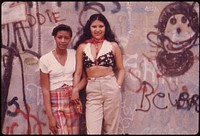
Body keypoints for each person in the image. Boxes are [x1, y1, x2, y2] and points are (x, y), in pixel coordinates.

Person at [73, 13, 125, 134]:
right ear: (89, 28)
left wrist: (117, 86)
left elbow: (121, 69)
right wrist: (75, 90)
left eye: (101, 26)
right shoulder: (82, 47)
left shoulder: (113, 45)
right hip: (92, 89)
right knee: (92, 131)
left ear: (105, 27)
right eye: (94, 26)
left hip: (110, 86)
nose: (97, 30)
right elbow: (78, 72)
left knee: (111, 129)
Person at [39, 24, 87, 135]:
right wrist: (50, 116)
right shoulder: (45, 59)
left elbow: (84, 78)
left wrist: (76, 90)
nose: (63, 41)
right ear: (55, 37)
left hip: (73, 100)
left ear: (70, 38)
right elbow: (45, 89)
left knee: (74, 132)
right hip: (56, 102)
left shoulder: (74, 54)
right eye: (59, 37)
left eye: (66, 38)